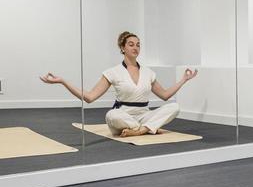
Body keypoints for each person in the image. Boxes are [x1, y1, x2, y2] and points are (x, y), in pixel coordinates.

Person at [41, 31, 198, 137]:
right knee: (111, 115)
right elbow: (89, 97)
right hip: (123, 117)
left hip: (144, 115)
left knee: (174, 107)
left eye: (138, 44)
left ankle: (140, 130)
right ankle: (146, 129)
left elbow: (165, 95)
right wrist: (62, 81)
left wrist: (184, 79)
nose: (135, 47)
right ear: (122, 48)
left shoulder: (148, 72)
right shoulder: (113, 72)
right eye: (131, 44)